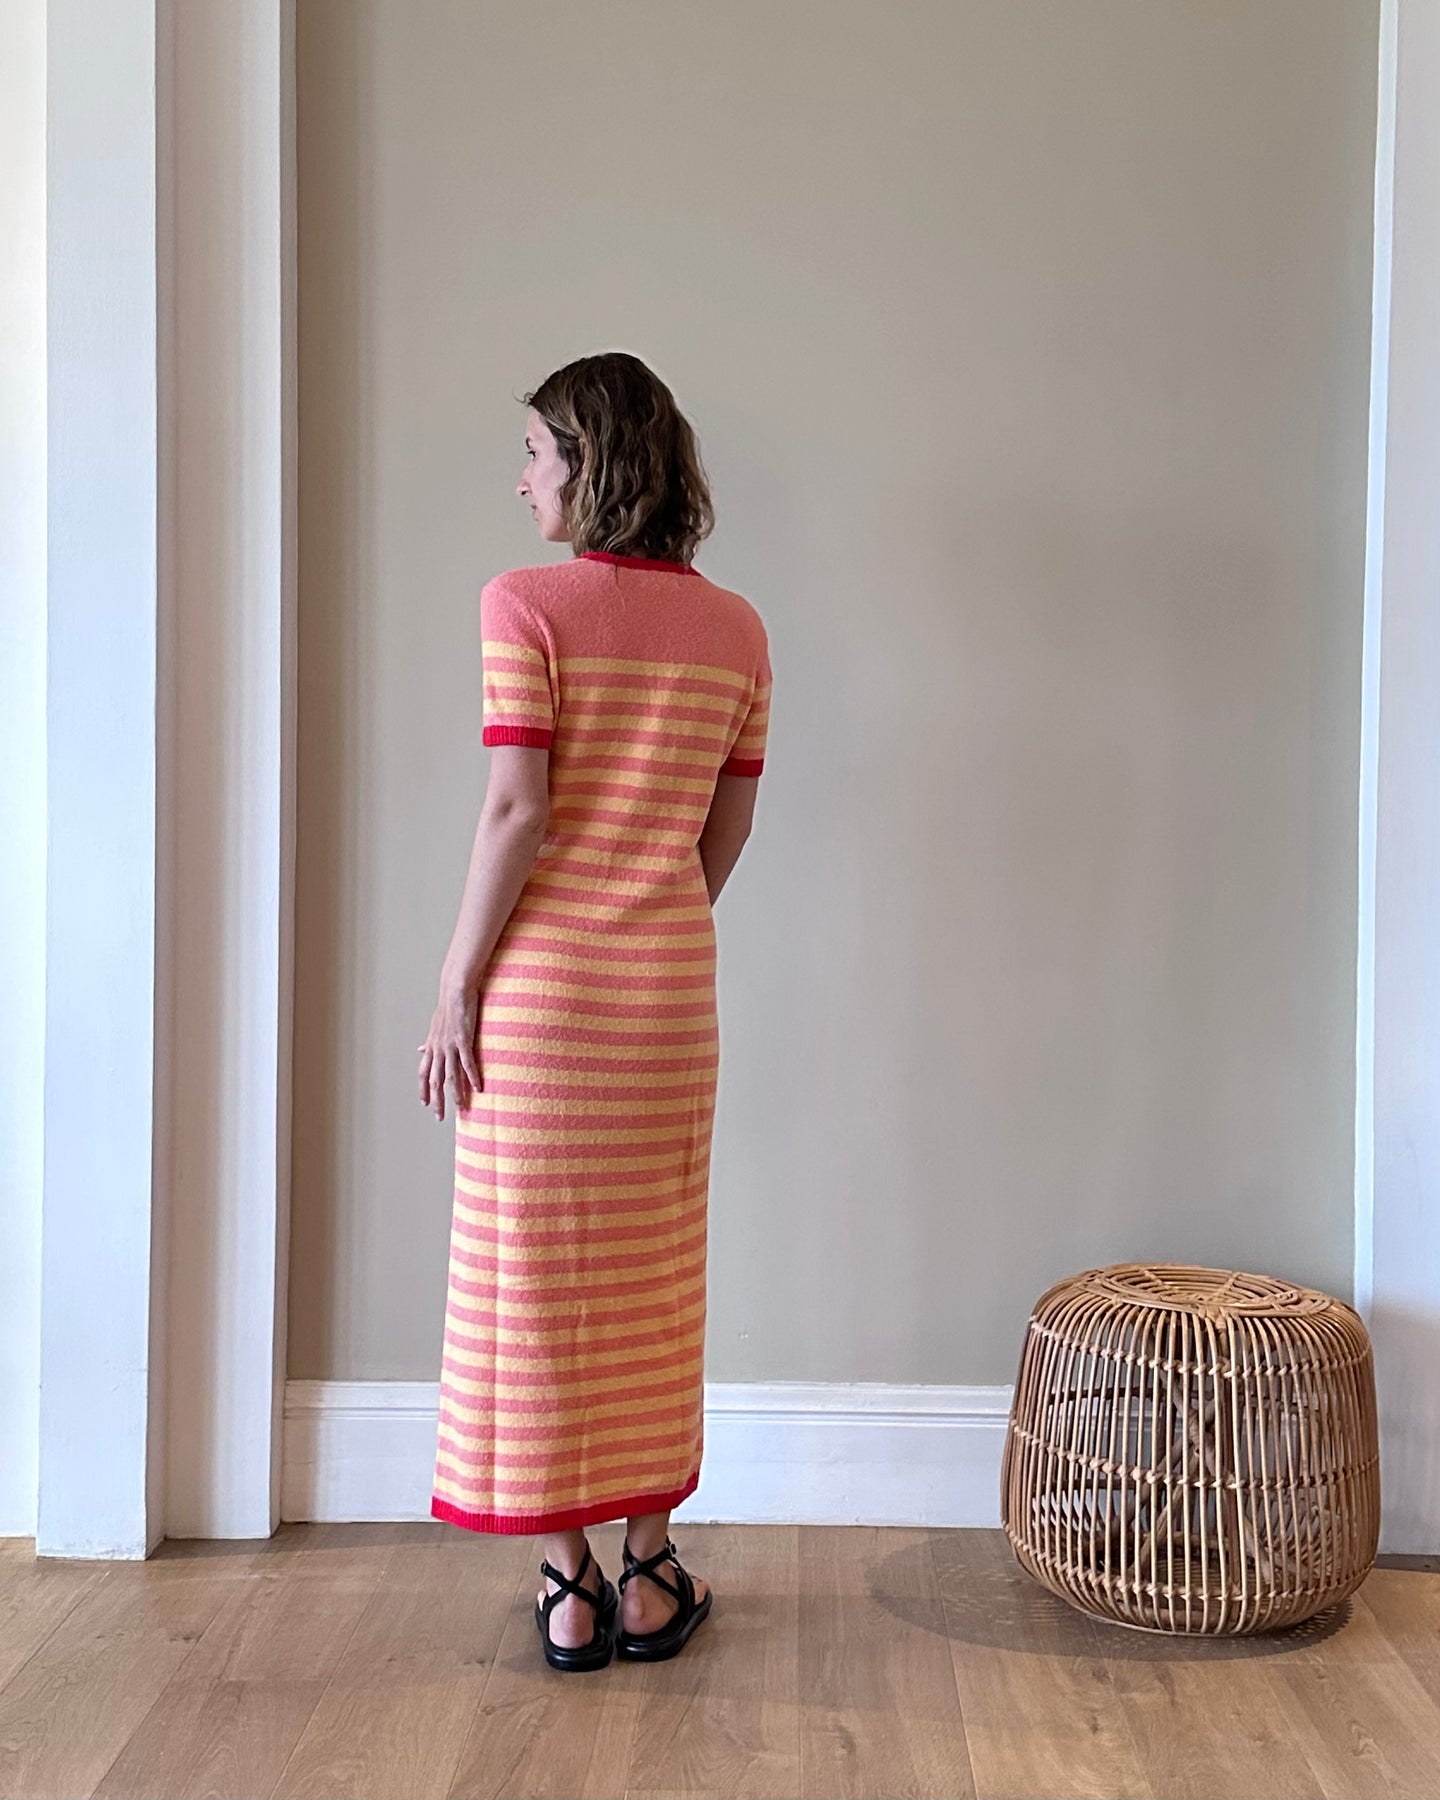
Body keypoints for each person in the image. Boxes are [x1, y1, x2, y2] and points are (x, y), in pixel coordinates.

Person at [417, 352, 771, 1672]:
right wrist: (657, 915)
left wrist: (457, 984)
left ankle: (566, 1584)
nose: (522, 482)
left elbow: (516, 813)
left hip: (546, 999)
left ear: (591, 462)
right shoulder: (738, 630)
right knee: (652, 1275)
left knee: (533, 1278)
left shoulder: (524, 606)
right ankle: (650, 1573)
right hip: (668, 999)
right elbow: (725, 828)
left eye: (535, 454)